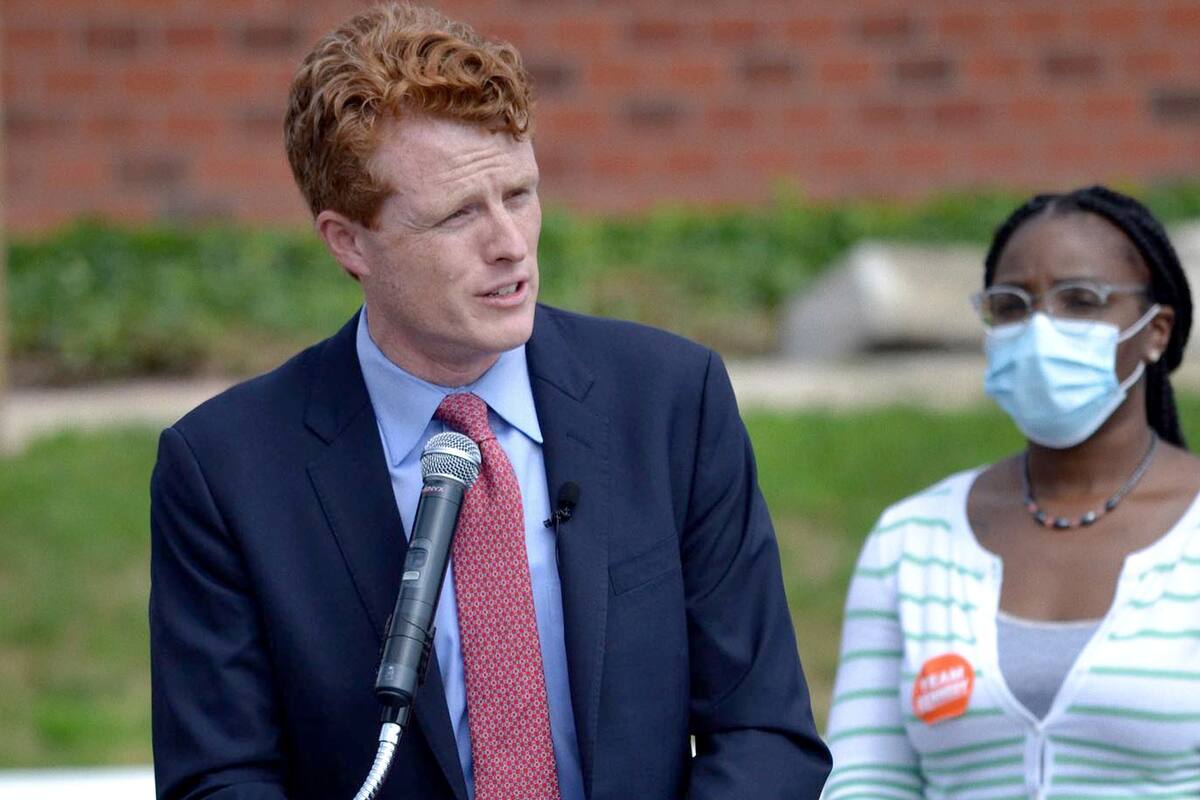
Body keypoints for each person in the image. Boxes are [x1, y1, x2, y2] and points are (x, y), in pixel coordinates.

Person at [148, 4, 830, 799]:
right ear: (348, 241)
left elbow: (764, 732)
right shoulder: (225, 471)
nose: (509, 242)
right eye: (460, 214)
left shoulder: (673, 402)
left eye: (520, 193)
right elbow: (219, 781)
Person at [822, 185, 1200, 798]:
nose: (1041, 329)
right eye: (1012, 305)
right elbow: (865, 775)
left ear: (1155, 332)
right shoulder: (911, 540)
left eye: (1081, 301)